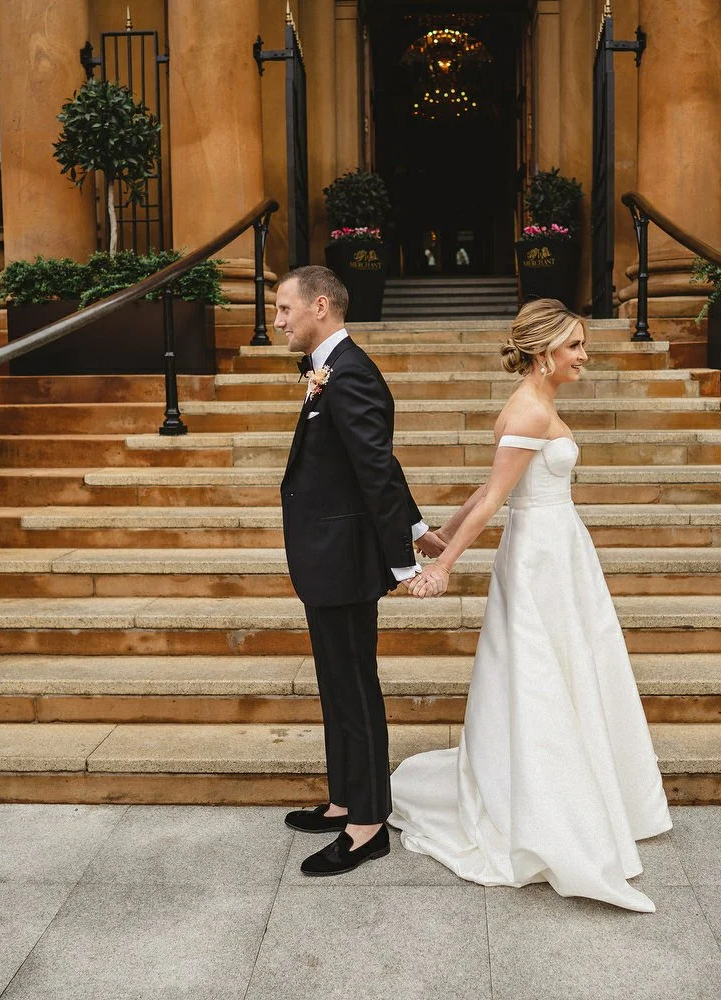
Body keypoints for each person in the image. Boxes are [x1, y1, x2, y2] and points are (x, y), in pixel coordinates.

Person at [390, 297, 672, 912]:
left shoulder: (539, 405)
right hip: (540, 555)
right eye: (574, 346)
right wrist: (443, 562)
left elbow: (489, 489)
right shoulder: (529, 408)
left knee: (573, 663)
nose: (583, 356)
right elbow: (495, 497)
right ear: (544, 351)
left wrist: (438, 528)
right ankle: (549, 803)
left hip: (559, 549)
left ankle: (587, 786)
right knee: (540, 671)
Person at [275, 265, 448, 876]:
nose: (278, 322)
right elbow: (379, 463)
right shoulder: (333, 370)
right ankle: (345, 799)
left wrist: (401, 561)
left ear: (320, 306)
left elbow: (375, 470)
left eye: (285, 309)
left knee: (355, 689)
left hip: (344, 561)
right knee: (336, 686)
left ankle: (368, 823)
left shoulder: (350, 375)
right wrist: (417, 525)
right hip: (328, 560)